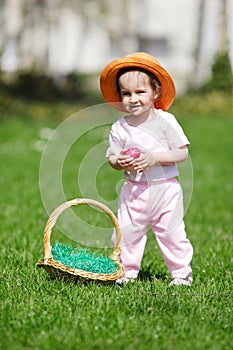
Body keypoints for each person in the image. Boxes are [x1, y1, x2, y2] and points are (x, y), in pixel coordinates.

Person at [100, 52, 193, 286]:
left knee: (172, 234)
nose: (133, 99)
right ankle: (126, 272)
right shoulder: (120, 127)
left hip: (165, 190)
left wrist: (153, 158)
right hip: (133, 191)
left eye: (140, 92)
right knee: (127, 233)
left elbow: (181, 153)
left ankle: (182, 275)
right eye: (126, 93)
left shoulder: (165, 121)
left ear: (155, 92)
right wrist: (118, 161)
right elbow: (112, 157)